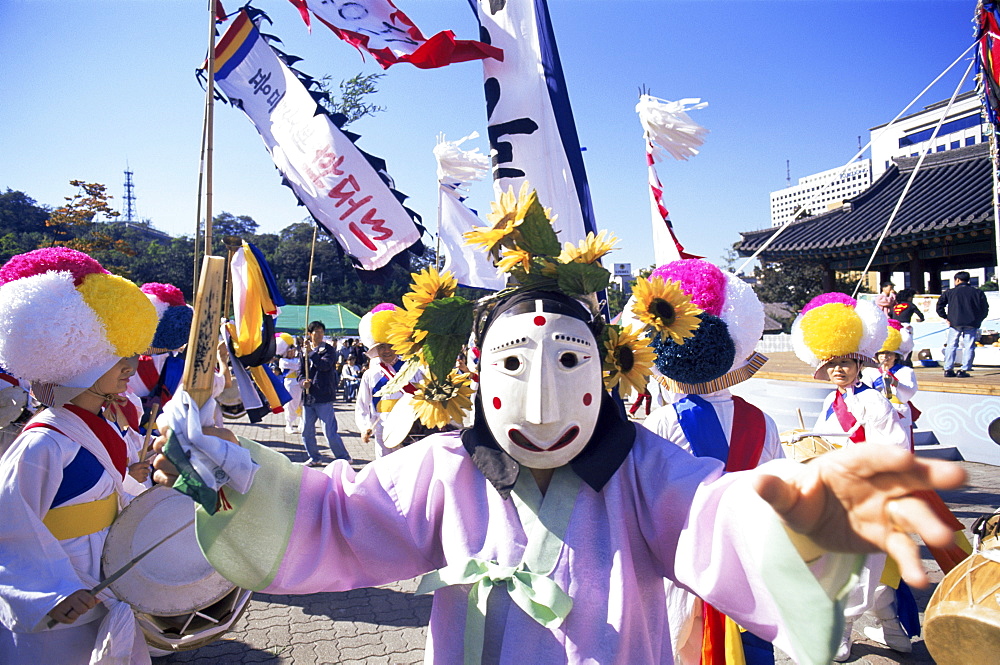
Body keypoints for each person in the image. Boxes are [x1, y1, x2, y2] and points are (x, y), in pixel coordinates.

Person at [151, 188, 964, 665]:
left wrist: (808, 512)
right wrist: (232, 467)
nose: (540, 397)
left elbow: (721, 521)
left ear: (606, 370)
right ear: (475, 370)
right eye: (512, 366)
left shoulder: (646, 470)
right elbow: (340, 513)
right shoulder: (445, 467)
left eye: (568, 364)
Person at [0, 247, 158, 665]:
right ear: (79, 362)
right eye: (116, 356)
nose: (130, 365)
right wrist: (51, 593)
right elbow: (7, 523)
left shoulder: (99, 426)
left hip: (103, 583)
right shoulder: (42, 442)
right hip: (63, 600)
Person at [640, 259, 781, 665]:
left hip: (688, 555)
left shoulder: (663, 420)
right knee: (751, 634)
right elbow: (779, 487)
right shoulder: (763, 421)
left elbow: (648, 492)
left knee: (686, 641)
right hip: (749, 552)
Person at [791, 293, 917, 659]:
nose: (839, 370)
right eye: (832, 364)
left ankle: (848, 630)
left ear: (859, 365)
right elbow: (821, 444)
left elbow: (893, 448)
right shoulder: (832, 403)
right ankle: (891, 628)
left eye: (846, 363)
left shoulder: (874, 401)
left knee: (863, 566)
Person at [355, 304, 413, 458]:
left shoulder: (412, 368)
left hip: (409, 428)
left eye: (390, 346)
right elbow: (362, 405)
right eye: (381, 347)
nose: (386, 351)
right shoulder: (370, 375)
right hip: (383, 430)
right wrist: (365, 427)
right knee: (385, 470)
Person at [299, 321, 351, 467]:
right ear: (310, 334)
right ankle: (314, 457)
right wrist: (303, 382)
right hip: (308, 397)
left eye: (322, 331)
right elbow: (300, 373)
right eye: (316, 331)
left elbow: (325, 366)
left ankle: (343, 457)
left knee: (329, 430)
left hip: (323, 395)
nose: (319, 334)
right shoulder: (303, 351)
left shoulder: (328, 350)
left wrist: (311, 353)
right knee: (306, 430)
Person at [936, 270, 989, 378]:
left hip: (954, 322)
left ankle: (948, 368)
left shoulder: (950, 292)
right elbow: (985, 308)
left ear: (957, 280)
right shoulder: (977, 292)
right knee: (969, 346)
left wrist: (945, 317)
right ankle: (964, 369)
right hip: (972, 322)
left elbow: (939, 305)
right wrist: (978, 319)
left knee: (951, 345)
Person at [275, 333, 303, 434]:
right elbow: (297, 365)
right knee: (290, 404)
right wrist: (298, 364)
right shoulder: (283, 361)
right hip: (290, 383)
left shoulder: (297, 359)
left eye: (293, 350)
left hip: (300, 383)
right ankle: (289, 425)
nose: (292, 352)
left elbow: (300, 365)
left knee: (301, 403)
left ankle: (301, 423)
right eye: (290, 351)